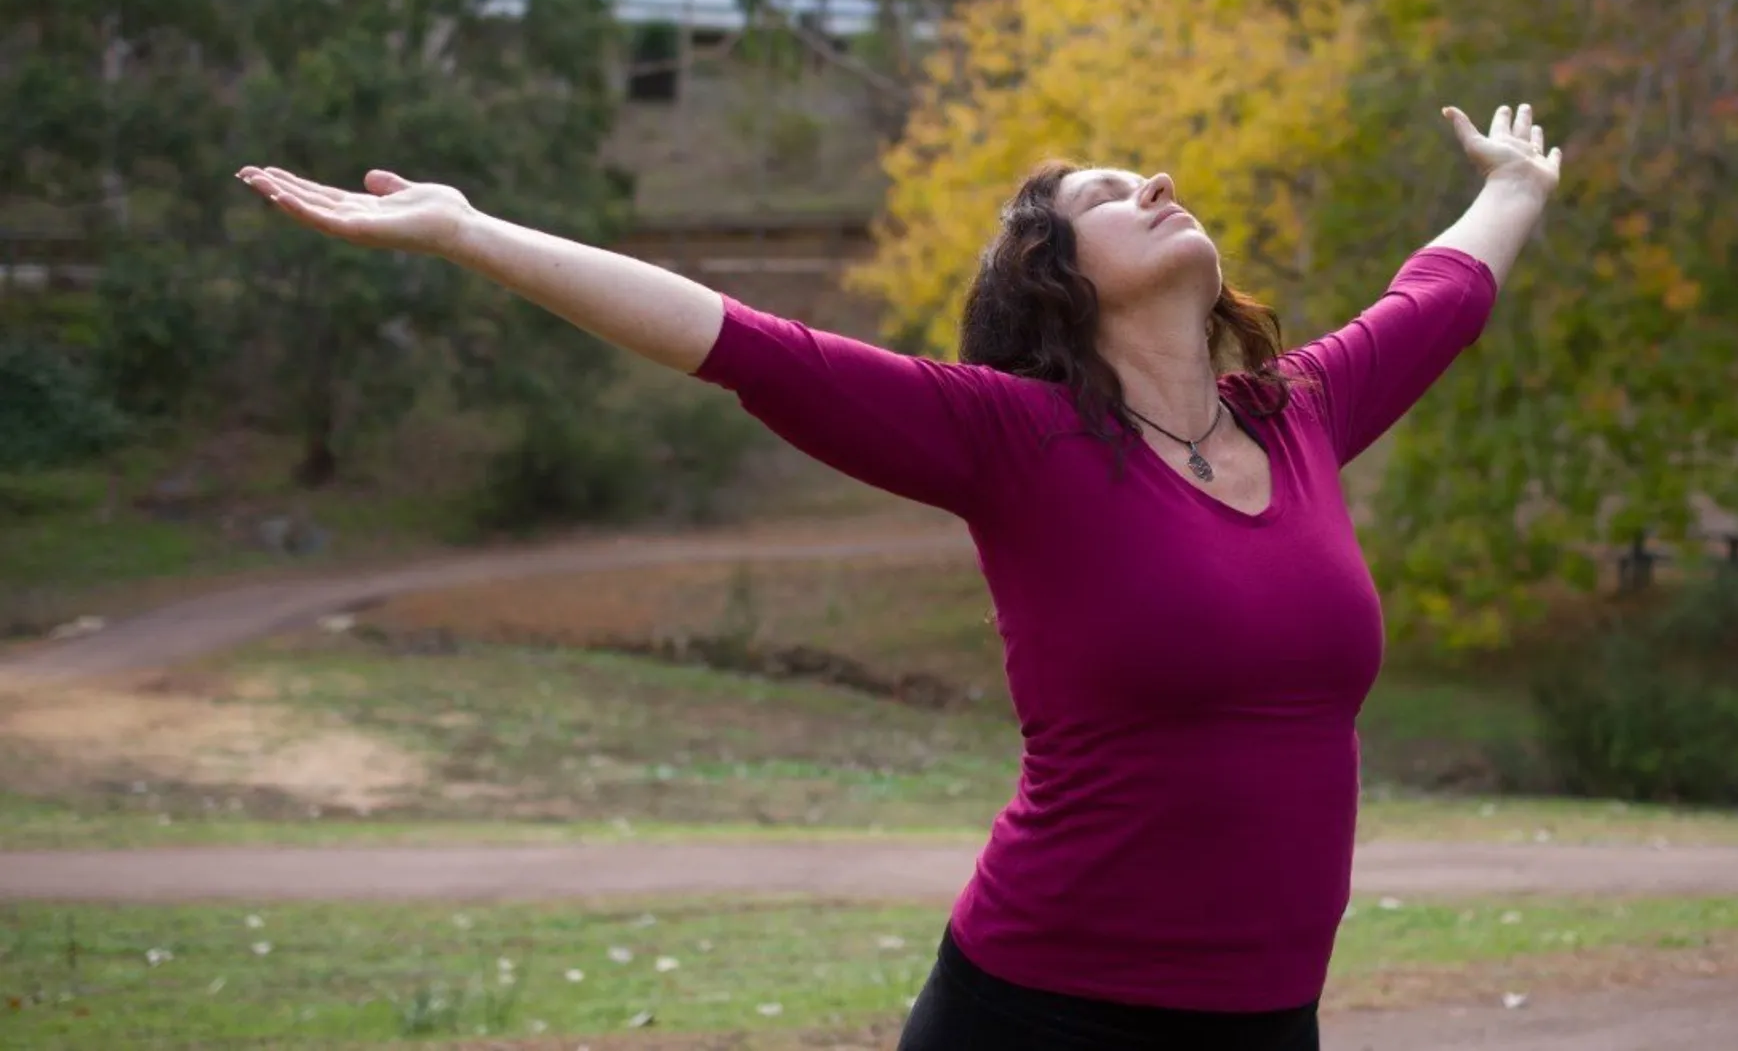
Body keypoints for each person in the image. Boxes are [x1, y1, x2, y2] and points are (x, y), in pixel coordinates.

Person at [237, 101, 1560, 1050]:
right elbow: (743, 345)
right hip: (1046, 1011)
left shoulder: (1299, 413)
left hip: (1270, 1018)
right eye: (1107, 195)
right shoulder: (1013, 441)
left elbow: (1438, 293)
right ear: (1058, 284)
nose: (1157, 180)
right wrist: (470, 233)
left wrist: (1512, 185)